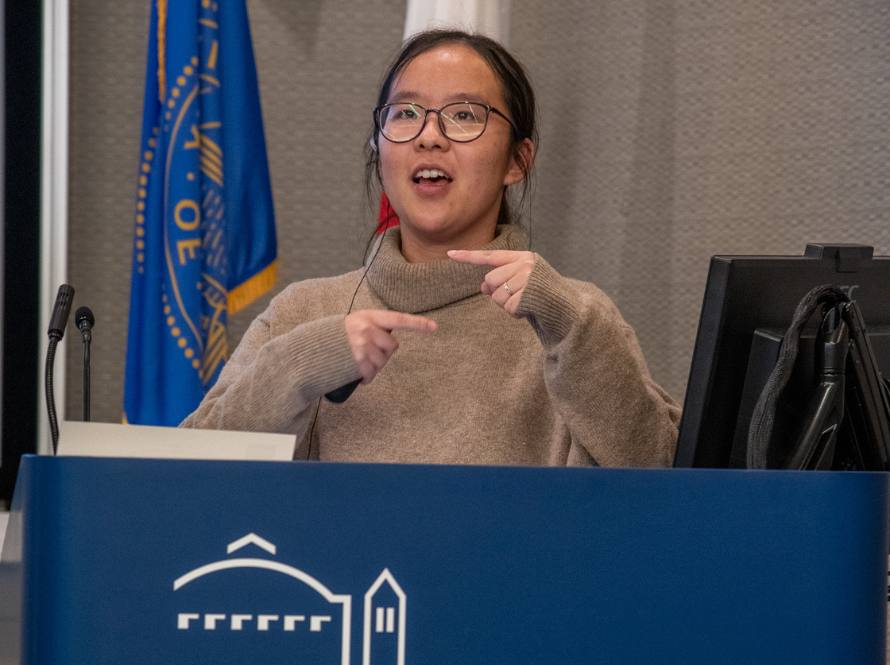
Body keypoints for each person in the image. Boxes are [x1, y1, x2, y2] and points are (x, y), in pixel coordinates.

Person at [181, 29, 681, 466]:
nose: (430, 137)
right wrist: (299, 366)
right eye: (406, 114)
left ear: (517, 161)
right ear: (378, 152)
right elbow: (181, 474)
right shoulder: (303, 312)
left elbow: (661, 472)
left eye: (464, 115)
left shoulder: (574, 315)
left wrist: (573, 328)